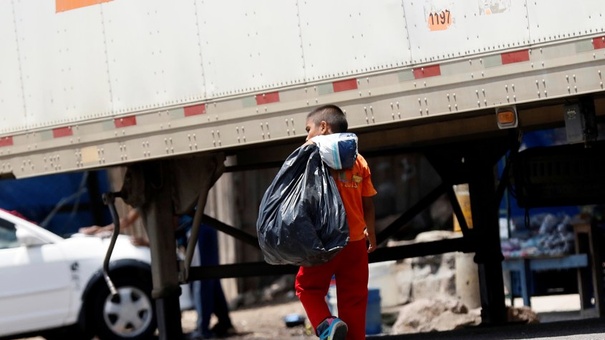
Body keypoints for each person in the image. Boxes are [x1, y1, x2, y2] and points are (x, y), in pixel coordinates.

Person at [295, 104, 377, 340]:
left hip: (326, 243)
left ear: (323, 127)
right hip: (356, 243)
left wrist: (309, 145)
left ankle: (326, 324)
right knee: (355, 299)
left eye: (308, 129)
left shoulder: (315, 156)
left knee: (307, 287)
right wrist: (371, 234)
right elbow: (368, 203)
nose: (306, 136)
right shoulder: (359, 160)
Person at [181, 214, 235, 339]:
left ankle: (203, 329)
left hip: (196, 231)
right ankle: (224, 322)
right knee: (211, 278)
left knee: (201, 279)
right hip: (203, 227)